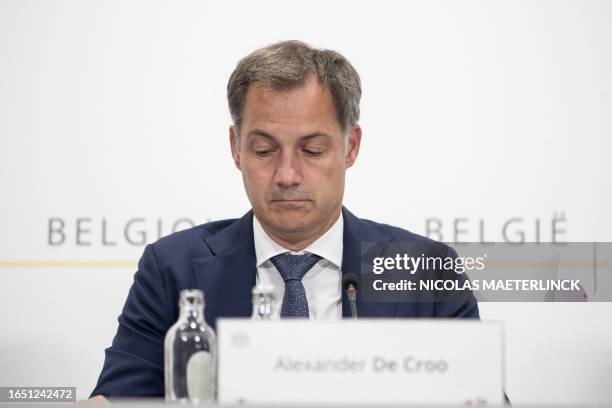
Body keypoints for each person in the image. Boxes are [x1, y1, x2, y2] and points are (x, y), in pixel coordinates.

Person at [90, 40, 478, 399]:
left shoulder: (425, 270)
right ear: (235, 148)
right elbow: (120, 397)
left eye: (311, 150)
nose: (287, 175)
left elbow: (479, 398)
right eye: (263, 150)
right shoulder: (171, 269)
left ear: (350, 147)